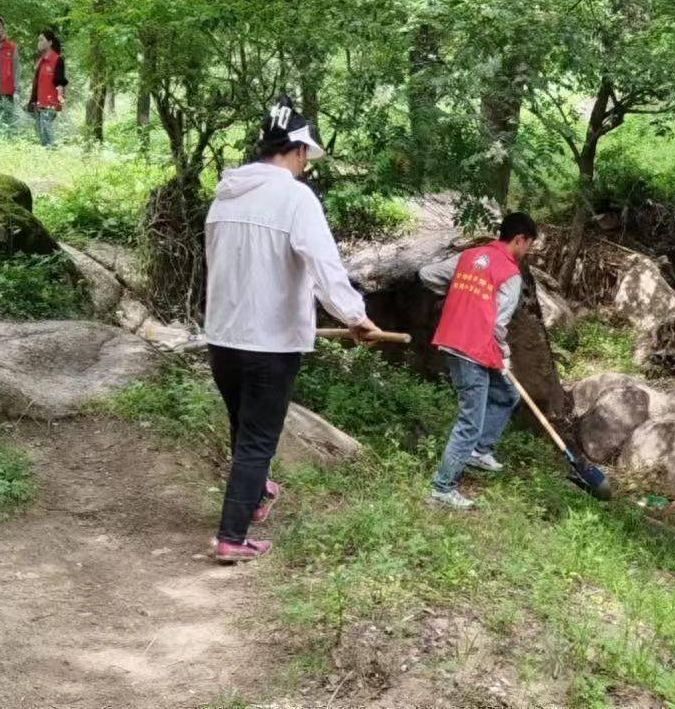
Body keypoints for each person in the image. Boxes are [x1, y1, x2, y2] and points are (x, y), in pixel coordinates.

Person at [202, 96, 383, 563]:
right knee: (258, 439)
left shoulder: (225, 194)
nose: (307, 167)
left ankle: (256, 494)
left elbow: (215, 264)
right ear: (298, 151)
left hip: (223, 337)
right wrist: (355, 316)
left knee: (244, 430)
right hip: (270, 343)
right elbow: (324, 265)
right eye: (307, 158)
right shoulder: (295, 198)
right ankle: (230, 537)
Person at [421, 211, 539, 510]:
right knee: (470, 421)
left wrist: (459, 294)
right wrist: (505, 355)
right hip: (475, 350)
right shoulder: (511, 274)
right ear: (519, 239)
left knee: (506, 394)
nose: (527, 252)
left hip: (452, 340)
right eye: (529, 245)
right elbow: (499, 324)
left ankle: (478, 451)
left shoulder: (469, 257)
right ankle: (442, 488)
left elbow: (427, 274)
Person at [28, 28, 67, 146]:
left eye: (41, 40)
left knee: (47, 135)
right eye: (38, 40)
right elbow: (37, 84)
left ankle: (52, 155)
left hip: (50, 104)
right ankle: (48, 157)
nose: (38, 43)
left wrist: (61, 102)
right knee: (41, 134)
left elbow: (60, 83)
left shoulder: (57, 60)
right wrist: (32, 101)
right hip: (39, 103)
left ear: (50, 42)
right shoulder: (41, 61)